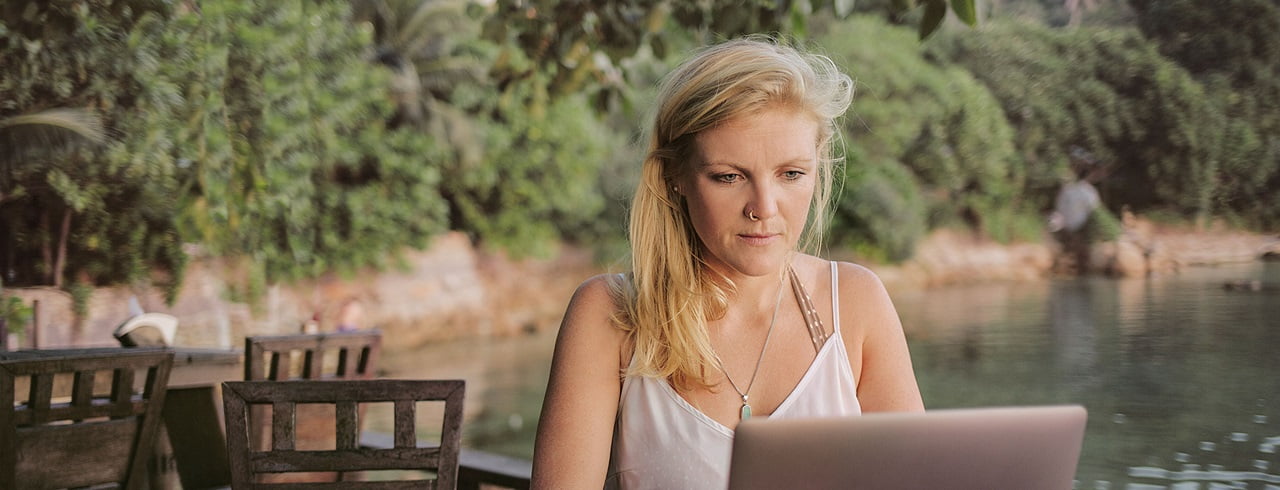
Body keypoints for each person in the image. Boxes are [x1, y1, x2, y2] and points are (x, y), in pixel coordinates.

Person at [530, 37, 924, 490]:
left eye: (791, 174)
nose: (764, 207)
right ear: (674, 176)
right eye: (728, 177)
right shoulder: (610, 315)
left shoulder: (855, 303)